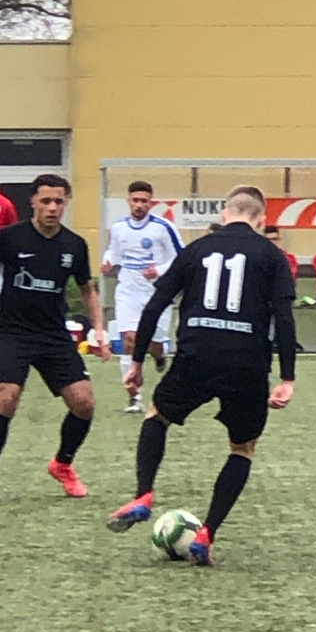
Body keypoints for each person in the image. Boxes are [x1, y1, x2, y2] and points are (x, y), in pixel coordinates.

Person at [106, 185, 296, 566]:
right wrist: (287, 378)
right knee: (242, 448)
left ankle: (144, 494)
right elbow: (285, 318)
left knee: (157, 415)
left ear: (224, 214)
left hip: (197, 353)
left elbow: (155, 304)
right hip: (247, 361)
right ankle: (206, 534)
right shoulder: (272, 255)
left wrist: (138, 361)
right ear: (260, 220)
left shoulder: (196, 249)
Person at [0, 174, 110, 504]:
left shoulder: (74, 245)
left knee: (84, 403)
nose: (52, 207)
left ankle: (62, 464)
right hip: (14, 333)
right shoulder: (8, 239)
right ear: (33, 202)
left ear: (66, 203)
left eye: (59, 201)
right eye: (46, 201)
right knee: (7, 399)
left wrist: (99, 329)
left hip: (54, 335)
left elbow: (87, 289)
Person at [101, 181, 184, 413]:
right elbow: (114, 251)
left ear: (151, 202)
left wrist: (158, 270)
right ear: (128, 201)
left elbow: (181, 256)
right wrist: (108, 261)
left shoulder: (163, 227)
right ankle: (134, 397)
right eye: (135, 200)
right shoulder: (119, 227)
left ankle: (159, 355)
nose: (139, 205)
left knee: (153, 343)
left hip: (157, 293)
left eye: (144, 201)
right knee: (129, 339)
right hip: (128, 291)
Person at [263, 225, 303, 352]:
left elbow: (292, 274)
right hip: (265, 294)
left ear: (279, 240)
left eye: (274, 239)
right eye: (269, 240)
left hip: (282, 293)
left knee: (285, 318)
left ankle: (286, 342)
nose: (272, 243)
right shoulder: (261, 257)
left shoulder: (288, 258)